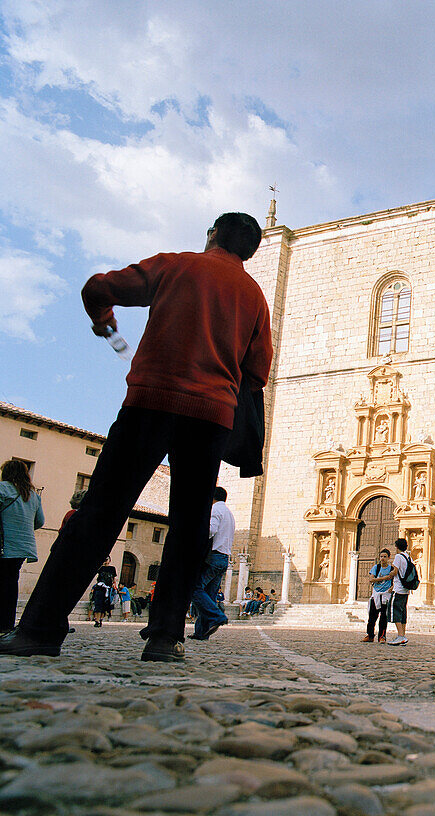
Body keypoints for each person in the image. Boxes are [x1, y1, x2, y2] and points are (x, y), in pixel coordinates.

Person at [0, 213, 273, 662]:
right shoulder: (255, 297)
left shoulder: (176, 265)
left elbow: (96, 289)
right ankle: (166, 638)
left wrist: (107, 327)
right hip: (211, 417)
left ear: (212, 235)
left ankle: (39, 630)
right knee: (188, 526)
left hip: (150, 401)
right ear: (250, 251)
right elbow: (257, 370)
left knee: (98, 513)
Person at [0, 459, 44, 632]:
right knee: (10, 585)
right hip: (21, 547)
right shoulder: (34, 496)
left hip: (4, 545)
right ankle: (6, 625)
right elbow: (40, 521)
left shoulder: (2, 488)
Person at [191, 487, 234, 641]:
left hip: (213, 557)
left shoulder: (215, 510)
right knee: (209, 594)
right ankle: (201, 633)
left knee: (194, 588)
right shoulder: (229, 513)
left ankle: (217, 616)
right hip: (224, 557)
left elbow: (210, 530)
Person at [362, 548, 393, 643]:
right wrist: (385, 578)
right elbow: (371, 579)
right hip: (375, 595)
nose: (382, 558)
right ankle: (370, 635)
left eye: (384, 557)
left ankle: (382, 636)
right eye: (381, 556)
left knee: (383, 617)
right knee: (372, 617)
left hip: (385, 595)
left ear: (388, 558)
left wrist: (392, 587)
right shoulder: (376, 567)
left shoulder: (392, 569)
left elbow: (395, 580)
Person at [386, 538, 413, 645]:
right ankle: (402, 635)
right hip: (406, 589)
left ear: (397, 547)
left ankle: (401, 636)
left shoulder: (398, 557)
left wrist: (389, 575)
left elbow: (396, 571)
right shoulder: (408, 557)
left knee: (395, 610)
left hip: (398, 589)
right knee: (402, 612)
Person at [90, 558, 116, 627]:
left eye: (107, 559)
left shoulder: (112, 568)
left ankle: (101, 619)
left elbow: (113, 578)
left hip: (108, 588)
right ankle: (97, 620)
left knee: (105, 605)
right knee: (98, 604)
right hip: (100, 588)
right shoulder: (101, 568)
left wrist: (114, 586)